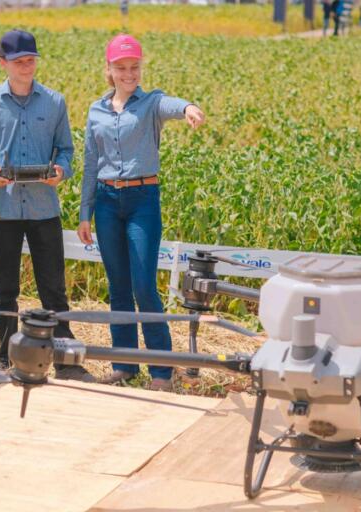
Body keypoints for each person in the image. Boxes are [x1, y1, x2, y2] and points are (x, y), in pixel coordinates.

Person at [77, 34, 205, 392]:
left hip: (142, 200)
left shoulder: (150, 103)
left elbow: (171, 104)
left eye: (134, 67)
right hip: (106, 202)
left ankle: (162, 372)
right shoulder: (96, 111)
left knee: (144, 286)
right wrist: (85, 212)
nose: (129, 74)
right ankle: (124, 366)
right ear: (109, 69)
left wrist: (189, 108)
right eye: (121, 68)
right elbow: (91, 163)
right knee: (118, 287)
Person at [0, 30, 94, 382]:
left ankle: (66, 361)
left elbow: (66, 150)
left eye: (31, 60)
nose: (26, 66)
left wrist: (61, 171)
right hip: (3, 209)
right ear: (2, 63)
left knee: (54, 289)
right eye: (19, 61)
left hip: (44, 209)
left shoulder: (55, 102)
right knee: (5, 290)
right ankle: (6, 359)